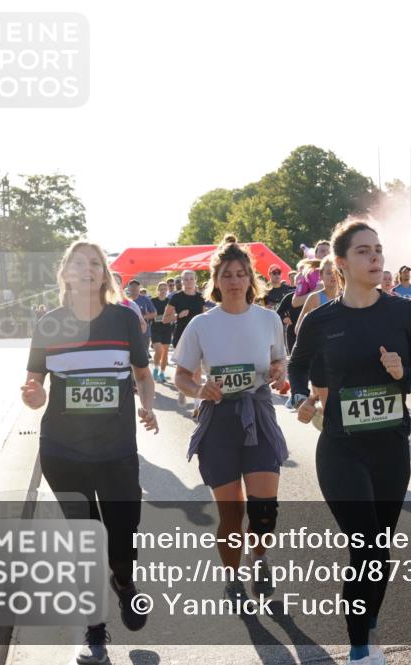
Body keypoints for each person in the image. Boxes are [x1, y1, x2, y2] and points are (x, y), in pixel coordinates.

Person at [288, 219, 411, 665]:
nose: (375, 257)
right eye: (363, 251)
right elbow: (298, 368)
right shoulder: (321, 320)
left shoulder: (406, 313)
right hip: (341, 449)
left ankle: (367, 621)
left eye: (378, 249)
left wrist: (403, 375)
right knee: (367, 542)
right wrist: (301, 398)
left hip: (390, 448)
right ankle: (359, 649)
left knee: (379, 550)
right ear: (340, 263)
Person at [22, 241, 158, 665]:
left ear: (104, 274)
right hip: (63, 450)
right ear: (65, 273)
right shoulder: (49, 325)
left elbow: (142, 374)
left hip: (116, 450)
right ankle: (94, 633)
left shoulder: (123, 319)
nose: (86, 269)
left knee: (121, 533)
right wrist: (32, 394)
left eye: (94, 263)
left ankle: (123, 581)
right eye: (78, 263)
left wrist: (147, 404)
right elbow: (33, 386)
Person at [174, 234, 289, 603]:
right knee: (231, 514)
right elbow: (182, 375)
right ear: (216, 281)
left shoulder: (268, 319)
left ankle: (260, 559)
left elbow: (279, 360)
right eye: (227, 274)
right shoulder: (201, 325)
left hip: (258, 413)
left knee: (263, 510)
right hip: (219, 422)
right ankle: (232, 576)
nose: (235, 281)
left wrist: (278, 370)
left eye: (241, 274)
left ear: (250, 279)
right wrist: (199, 389)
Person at [164, 270, 206, 409]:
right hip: (181, 335)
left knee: (197, 370)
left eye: (191, 278)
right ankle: (182, 390)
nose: (189, 281)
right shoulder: (176, 298)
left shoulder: (201, 298)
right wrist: (178, 316)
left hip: (198, 336)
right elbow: (165, 319)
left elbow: (206, 317)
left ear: (195, 280)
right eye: (186, 279)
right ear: (182, 282)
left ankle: (197, 404)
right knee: (183, 370)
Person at [295, 255, 340, 331]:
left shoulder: (346, 297)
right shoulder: (315, 298)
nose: (333, 276)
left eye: (336, 272)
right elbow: (298, 329)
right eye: (329, 273)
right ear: (321, 275)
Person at [293, 240, 332, 307]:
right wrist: (315, 291)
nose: (326, 254)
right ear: (316, 255)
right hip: (317, 314)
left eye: (329, 251)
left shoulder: (341, 271)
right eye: (322, 251)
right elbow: (295, 302)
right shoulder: (307, 274)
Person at [150, 281, 174, 382]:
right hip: (155, 328)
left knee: (165, 352)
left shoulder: (170, 301)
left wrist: (171, 317)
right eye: (161, 289)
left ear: (167, 290)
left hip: (167, 329)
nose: (163, 291)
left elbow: (173, 315)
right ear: (158, 290)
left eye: (165, 289)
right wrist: (154, 316)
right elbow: (150, 313)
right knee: (159, 351)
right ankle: (156, 368)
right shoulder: (153, 300)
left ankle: (162, 373)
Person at [128, 279, 157, 356]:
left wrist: (142, 317)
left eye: (136, 287)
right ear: (129, 289)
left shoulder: (145, 299)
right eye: (132, 287)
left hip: (143, 331)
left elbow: (154, 313)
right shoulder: (125, 300)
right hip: (129, 331)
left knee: (142, 355)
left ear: (139, 288)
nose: (134, 289)